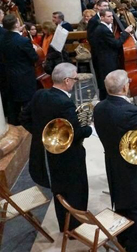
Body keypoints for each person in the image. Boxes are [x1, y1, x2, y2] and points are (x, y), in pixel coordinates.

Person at [93, 70, 137, 252]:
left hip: (113, 164)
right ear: (125, 87)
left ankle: (123, 237)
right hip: (133, 168)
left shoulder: (99, 108)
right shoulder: (130, 111)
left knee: (122, 203)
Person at [21, 63, 92, 231]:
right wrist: (89, 128)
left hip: (46, 156)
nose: (75, 82)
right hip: (67, 158)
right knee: (75, 191)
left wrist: (41, 135)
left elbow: (24, 117)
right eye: (75, 79)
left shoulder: (39, 94)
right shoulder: (65, 103)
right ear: (67, 81)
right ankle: (75, 227)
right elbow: (76, 133)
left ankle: (64, 225)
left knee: (59, 191)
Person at [0, 14, 39, 125]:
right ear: (17, 24)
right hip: (24, 76)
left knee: (13, 104)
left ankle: (15, 126)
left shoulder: (2, 39)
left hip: (9, 74)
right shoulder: (23, 41)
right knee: (28, 102)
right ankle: (30, 125)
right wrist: (34, 49)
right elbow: (34, 58)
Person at [89, 9, 133, 100]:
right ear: (102, 18)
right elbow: (116, 44)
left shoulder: (104, 28)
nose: (112, 18)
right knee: (106, 85)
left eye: (112, 16)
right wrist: (126, 33)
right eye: (109, 16)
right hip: (106, 61)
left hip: (105, 58)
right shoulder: (103, 29)